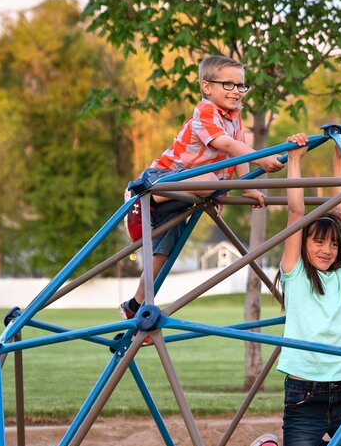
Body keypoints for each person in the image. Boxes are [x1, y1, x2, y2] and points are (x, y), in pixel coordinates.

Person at [228, 133, 341, 446]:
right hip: (304, 397)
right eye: (318, 241)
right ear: (304, 244)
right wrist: (294, 160)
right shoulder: (294, 274)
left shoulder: (340, 275)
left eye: (332, 243)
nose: (326, 250)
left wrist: (340, 156)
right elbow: (296, 214)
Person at [119, 54, 283, 323]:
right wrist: (262, 158)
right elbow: (228, 146)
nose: (236, 92)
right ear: (207, 87)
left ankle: (135, 305)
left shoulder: (235, 118)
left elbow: (236, 157)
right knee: (210, 181)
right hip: (168, 176)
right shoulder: (205, 110)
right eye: (227, 85)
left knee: (164, 252)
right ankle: (143, 193)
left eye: (241, 86)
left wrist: (247, 188)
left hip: (193, 191)